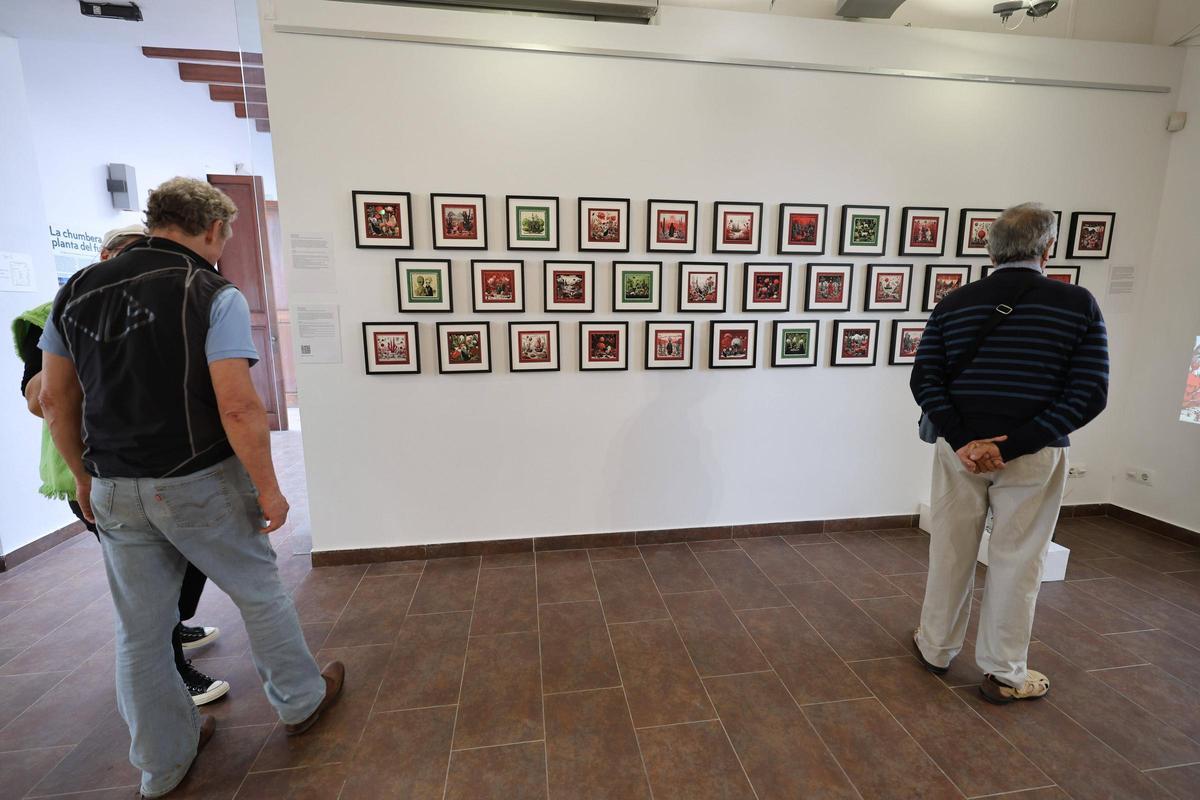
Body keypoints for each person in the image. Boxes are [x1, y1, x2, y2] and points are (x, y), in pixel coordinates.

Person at [37, 177, 344, 799]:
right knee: (259, 593)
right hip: (196, 478)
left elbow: (53, 400)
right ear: (211, 229)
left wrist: (83, 476)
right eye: (224, 235)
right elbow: (237, 405)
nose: (223, 246)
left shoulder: (75, 291)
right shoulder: (210, 291)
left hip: (116, 486)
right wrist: (270, 489)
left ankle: (162, 763)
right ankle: (300, 702)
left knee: (140, 631)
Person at [13, 223, 229, 708]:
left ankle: (175, 626)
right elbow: (38, 399)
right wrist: (104, 372)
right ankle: (172, 675)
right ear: (105, 256)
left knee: (184, 561)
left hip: (163, 464)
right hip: (92, 472)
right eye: (129, 256)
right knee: (146, 584)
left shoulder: (156, 311)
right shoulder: (55, 314)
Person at [910, 202, 1108, 704]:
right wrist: (1018, 442)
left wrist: (964, 441)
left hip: (960, 453)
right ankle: (1004, 673)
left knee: (950, 549)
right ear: (1048, 248)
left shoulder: (954, 304)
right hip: (1034, 453)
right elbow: (1089, 392)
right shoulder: (1077, 304)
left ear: (990, 249)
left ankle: (935, 648)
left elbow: (925, 379)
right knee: (1018, 561)